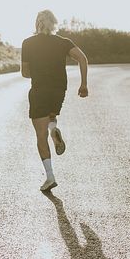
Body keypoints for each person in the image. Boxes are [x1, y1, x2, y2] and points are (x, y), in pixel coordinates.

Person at [21, 10, 89, 191]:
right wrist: (83, 85)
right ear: (54, 23)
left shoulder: (28, 43)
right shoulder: (63, 43)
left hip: (39, 90)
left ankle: (50, 177)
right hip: (59, 90)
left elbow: (24, 73)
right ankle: (54, 130)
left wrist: (36, 70)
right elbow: (82, 58)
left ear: (37, 23)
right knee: (51, 115)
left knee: (40, 135)